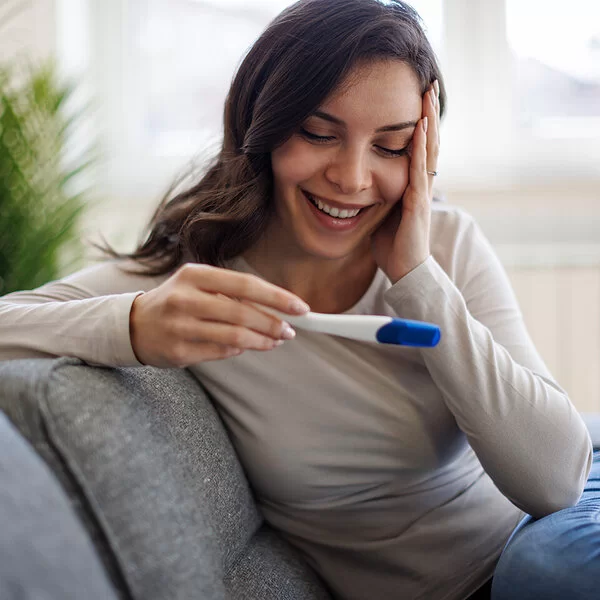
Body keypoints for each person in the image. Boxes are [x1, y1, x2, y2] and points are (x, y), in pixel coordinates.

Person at [1, 1, 598, 598]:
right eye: (319, 134)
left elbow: (553, 482)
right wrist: (134, 324)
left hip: (533, 539)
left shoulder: (446, 244)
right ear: (260, 124)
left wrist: (417, 278)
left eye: (390, 147)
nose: (352, 178)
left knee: (546, 572)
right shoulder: (196, 289)